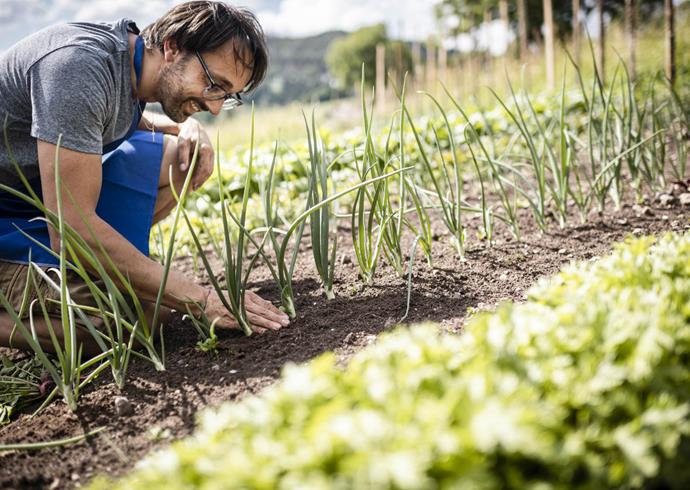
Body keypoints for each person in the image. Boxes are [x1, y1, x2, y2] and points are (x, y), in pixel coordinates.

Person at [0, 1, 289, 355]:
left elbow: (105, 116)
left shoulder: (128, 65)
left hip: (33, 205)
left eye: (226, 97)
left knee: (179, 157)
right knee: (124, 320)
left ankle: (105, 266)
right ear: (172, 47)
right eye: (213, 85)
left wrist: (186, 128)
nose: (215, 107)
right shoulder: (78, 68)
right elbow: (71, 231)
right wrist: (202, 299)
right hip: (25, 221)